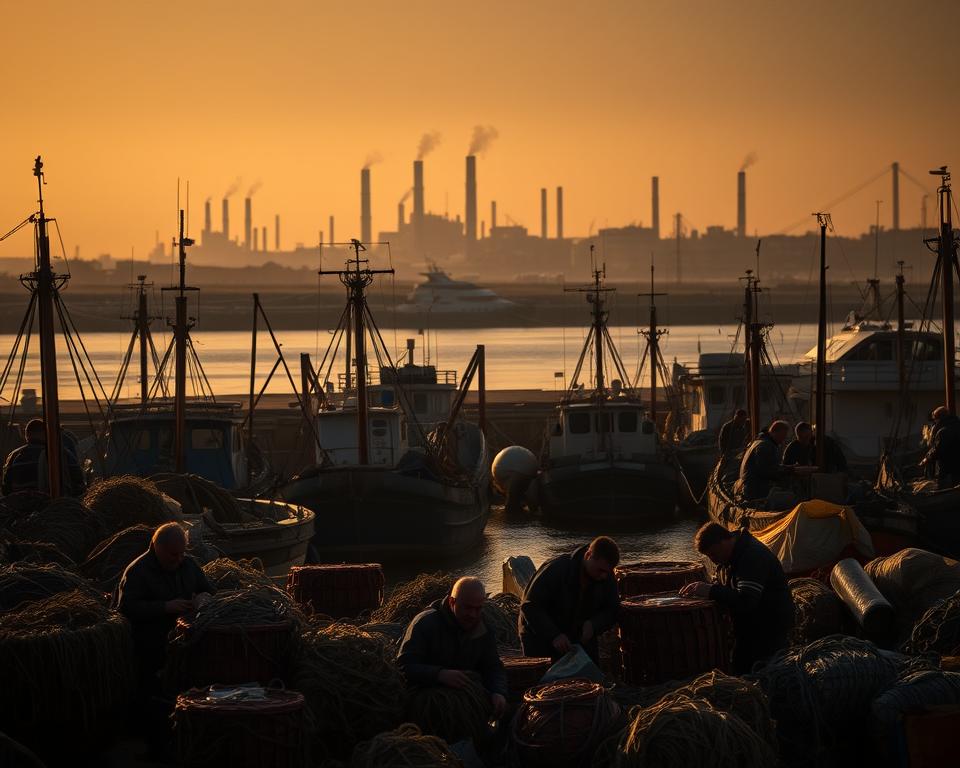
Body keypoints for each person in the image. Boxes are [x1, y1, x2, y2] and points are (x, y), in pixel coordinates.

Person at [680, 522, 794, 674]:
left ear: (723, 541)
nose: (713, 560)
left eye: (713, 554)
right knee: (741, 666)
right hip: (752, 627)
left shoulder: (752, 557)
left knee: (756, 672)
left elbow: (746, 601)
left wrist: (711, 590)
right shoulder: (731, 556)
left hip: (768, 628)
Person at [117, 523, 215, 688]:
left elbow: (210, 591)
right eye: (173, 554)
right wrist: (165, 607)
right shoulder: (137, 571)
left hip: (185, 643)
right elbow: (126, 608)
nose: (179, 559)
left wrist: (202, 599)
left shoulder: (188, 565)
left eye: (182, 553)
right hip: (150, 646)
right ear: (157, 547)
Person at [397, 577, 507, 718]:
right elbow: (403, 667)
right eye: (467, 608)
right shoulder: (425, 623)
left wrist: (498, 692)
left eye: (478, 608)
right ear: (452, 602)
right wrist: (439, 674)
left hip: (463, 694)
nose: (473, 615)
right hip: (426, 697)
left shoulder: (483, 627)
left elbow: (493, 666)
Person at [519, 536, 620, 664]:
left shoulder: (606, 575)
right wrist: (554, 635)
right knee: (549, 681)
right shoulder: (557, 569)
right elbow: (530, 606)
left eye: (607, 572)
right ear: (588, 555)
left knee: (589, 679)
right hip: (539, 636)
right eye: (600, 571)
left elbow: (612, 609)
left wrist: (594, 624)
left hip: (578, 636)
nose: (604, 576)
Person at [1, 418, 86, 497]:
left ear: (26, 435)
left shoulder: (14, 456)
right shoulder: (61, 453)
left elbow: (6, 488)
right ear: (46, 433)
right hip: (55, 506)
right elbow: (78, 482)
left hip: (19, 505)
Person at [735, 420, 797, 501]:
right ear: (775, 432)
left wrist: (789, 468)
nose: (784, 439)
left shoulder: (761, 442)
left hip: (752, 487)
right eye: (783, 436)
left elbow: (769, 467)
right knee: (792, 498)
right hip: (756, 491)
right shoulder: (765, 446)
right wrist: (791, 470)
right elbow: (766, 471)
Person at [921, 406, 960, 489]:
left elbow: (937, 450)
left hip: (948, 470)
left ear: (939, 418)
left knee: (946, 491)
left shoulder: (943, 432)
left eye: (935, 419)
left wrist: (926, 459)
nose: (935, 422)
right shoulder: (957, 424)